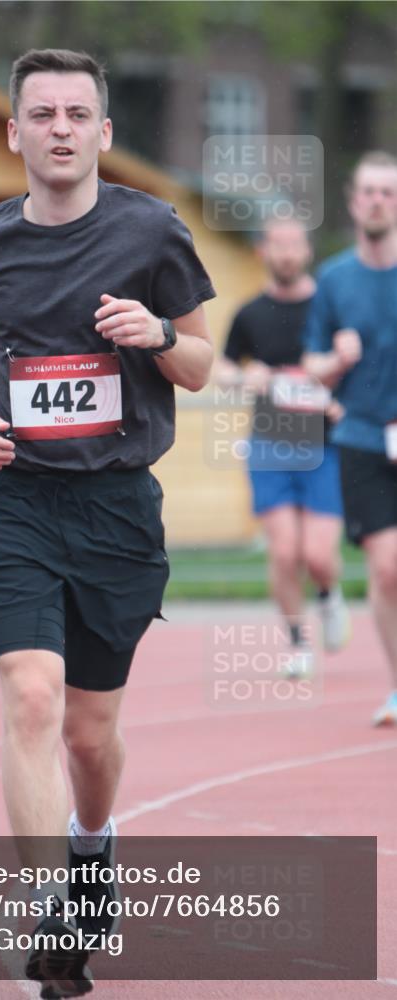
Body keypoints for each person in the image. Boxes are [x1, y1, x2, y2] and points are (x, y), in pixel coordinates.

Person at [0, 48, 215, 997]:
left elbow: (202, 365)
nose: (59, 128)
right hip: (14, 501)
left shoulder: (151, 232)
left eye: (76, 113)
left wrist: (161, 336)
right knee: (29, 698)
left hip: (116, 510)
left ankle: (92, 845)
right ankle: (48, 918)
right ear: (13, 132)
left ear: (102, 132)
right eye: (41, 113)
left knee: (90, 735)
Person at [216, 219, 349, 679]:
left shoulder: (329, 307)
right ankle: (297, 642)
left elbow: (357, 366)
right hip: (270, 442)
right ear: (263, 253)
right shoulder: (251, 312)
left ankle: (329, 595)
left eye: (295, 245)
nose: (287, 254)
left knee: (318, 555)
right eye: (278, 245)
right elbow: (222, 367)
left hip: (326, 445)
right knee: (284, 552)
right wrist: (242, 377)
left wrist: (342, 402)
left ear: (307, 251)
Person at [303, 151, 397, 727]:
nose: (378, 201)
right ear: (352, 200)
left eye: (388, 192)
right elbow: (310, 362)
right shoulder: (334, 279)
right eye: (369, 192)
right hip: (362, 438)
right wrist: (333, 362)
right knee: (387, 570)